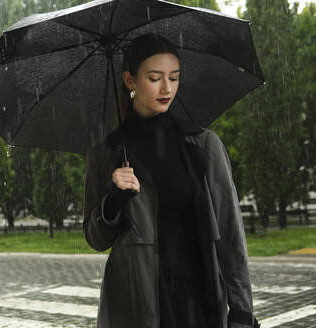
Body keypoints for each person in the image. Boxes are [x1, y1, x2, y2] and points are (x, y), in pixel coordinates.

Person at [83, 33, 260, 328]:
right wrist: (113, 200)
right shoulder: (106, 153)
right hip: (137, 301)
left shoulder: (203, 145)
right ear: (130, 81)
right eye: (155, 78)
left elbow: (230, 232)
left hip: (199, 294)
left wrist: (241, 308)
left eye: (174, 78)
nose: (167, 88)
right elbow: (95, 238)